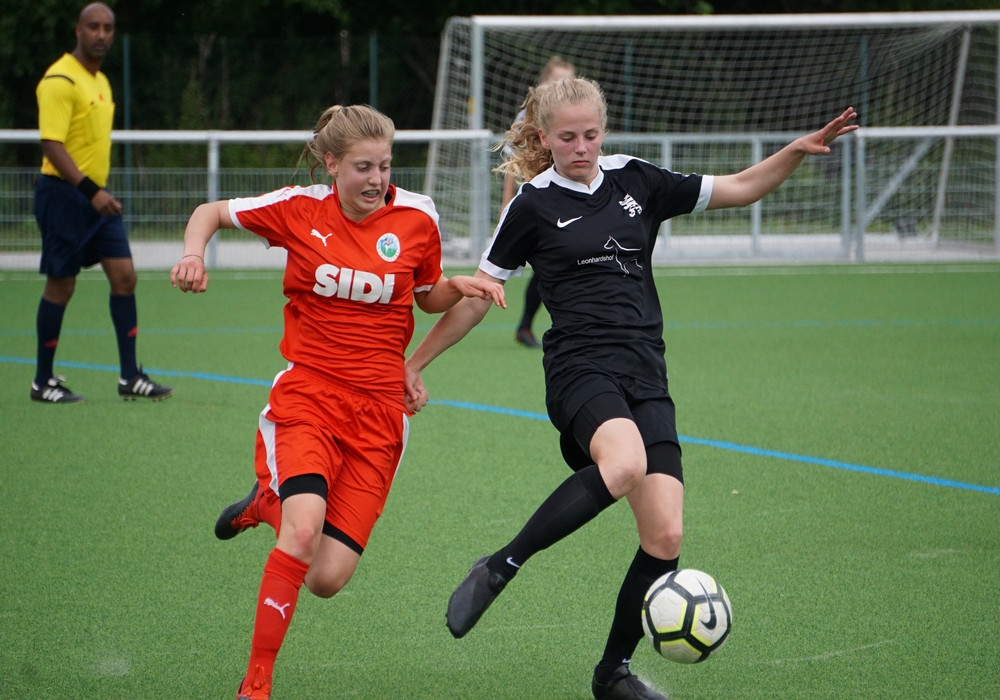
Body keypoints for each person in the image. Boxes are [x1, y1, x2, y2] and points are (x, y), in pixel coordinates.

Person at [405, 77, 857, 700]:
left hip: (647, 371)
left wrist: (795, 150)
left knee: (665, 536)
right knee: (622, 464)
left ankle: (611, 673)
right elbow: (480, 297)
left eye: (591, 134)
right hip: (579, 368)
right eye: (567, 137)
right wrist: (415, 361)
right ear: (544, 137)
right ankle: (501, 565)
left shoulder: (637, 180)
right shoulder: (532, 203)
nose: (582, 147)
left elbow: (738, 188)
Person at [171, 104, 504, 700]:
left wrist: (460, 286)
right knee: (302, 535)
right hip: (310, 397)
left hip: (379, 416)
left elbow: (426, 295)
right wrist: (194, 252)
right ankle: (256, 684)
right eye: (362, 167)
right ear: (332, 164)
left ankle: (262, 503)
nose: (377, 180)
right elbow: (210, 212)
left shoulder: (416, 217)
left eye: (384, 166)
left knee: (326, 577)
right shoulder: (299, 209)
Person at [31, 2, 172, 403]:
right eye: (93, 27)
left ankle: (130, 376)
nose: (101, 35)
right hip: (65, 195)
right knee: (62, 285)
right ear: (78, 30)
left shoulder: (102, 82)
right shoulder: (60, 80)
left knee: (125, 276)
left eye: (108, 28)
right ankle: (42, 381)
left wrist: (96, 194)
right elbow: (52, 144)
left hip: (96, 199)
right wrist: (90, 191)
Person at [502, 57, 575, 349]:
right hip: (536, 204)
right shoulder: (527, 118)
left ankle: (529, 326)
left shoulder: (574, 115)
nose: (561, 87)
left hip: (563, 202)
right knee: (548, 265)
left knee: (556, 265)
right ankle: (527, 325)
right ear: (544, 82)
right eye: (556, 81)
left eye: (567, 82)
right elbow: (511, 162)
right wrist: (507, 201)